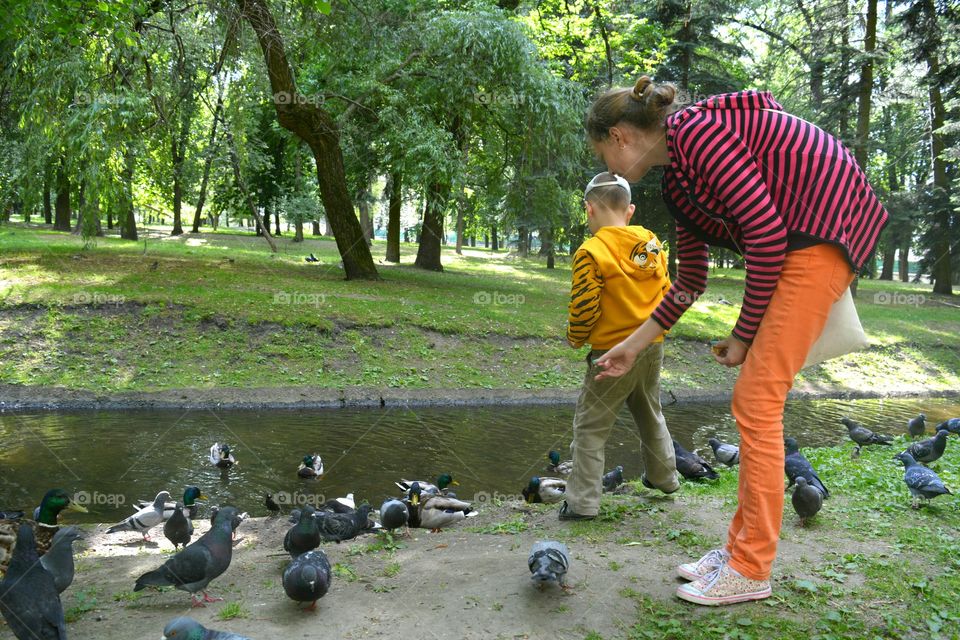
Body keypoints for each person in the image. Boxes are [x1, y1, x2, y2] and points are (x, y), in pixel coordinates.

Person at [584, 77, 888, 605]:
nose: (608, 169)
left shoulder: (696, 132)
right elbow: (690, 282)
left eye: (603, 153)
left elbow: (766, 235)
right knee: (755, 400)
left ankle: (750, 568)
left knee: (757, 398)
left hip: (819, 239)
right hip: (798, 244)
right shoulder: (679, 179)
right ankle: (739, 549)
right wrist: (633, 345)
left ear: (620, 135)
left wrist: (743, 335)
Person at [559, 171, 679, 522]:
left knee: (590, 427)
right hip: (651, 346)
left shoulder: (591, 251)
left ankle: (581, 502)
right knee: (650, 412)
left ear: (589, 210)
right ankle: (665, 477)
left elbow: (585, 307)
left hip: (610, 354)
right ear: (629, 211)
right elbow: (667, 292)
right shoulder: (650, 244)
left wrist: (576, 337)